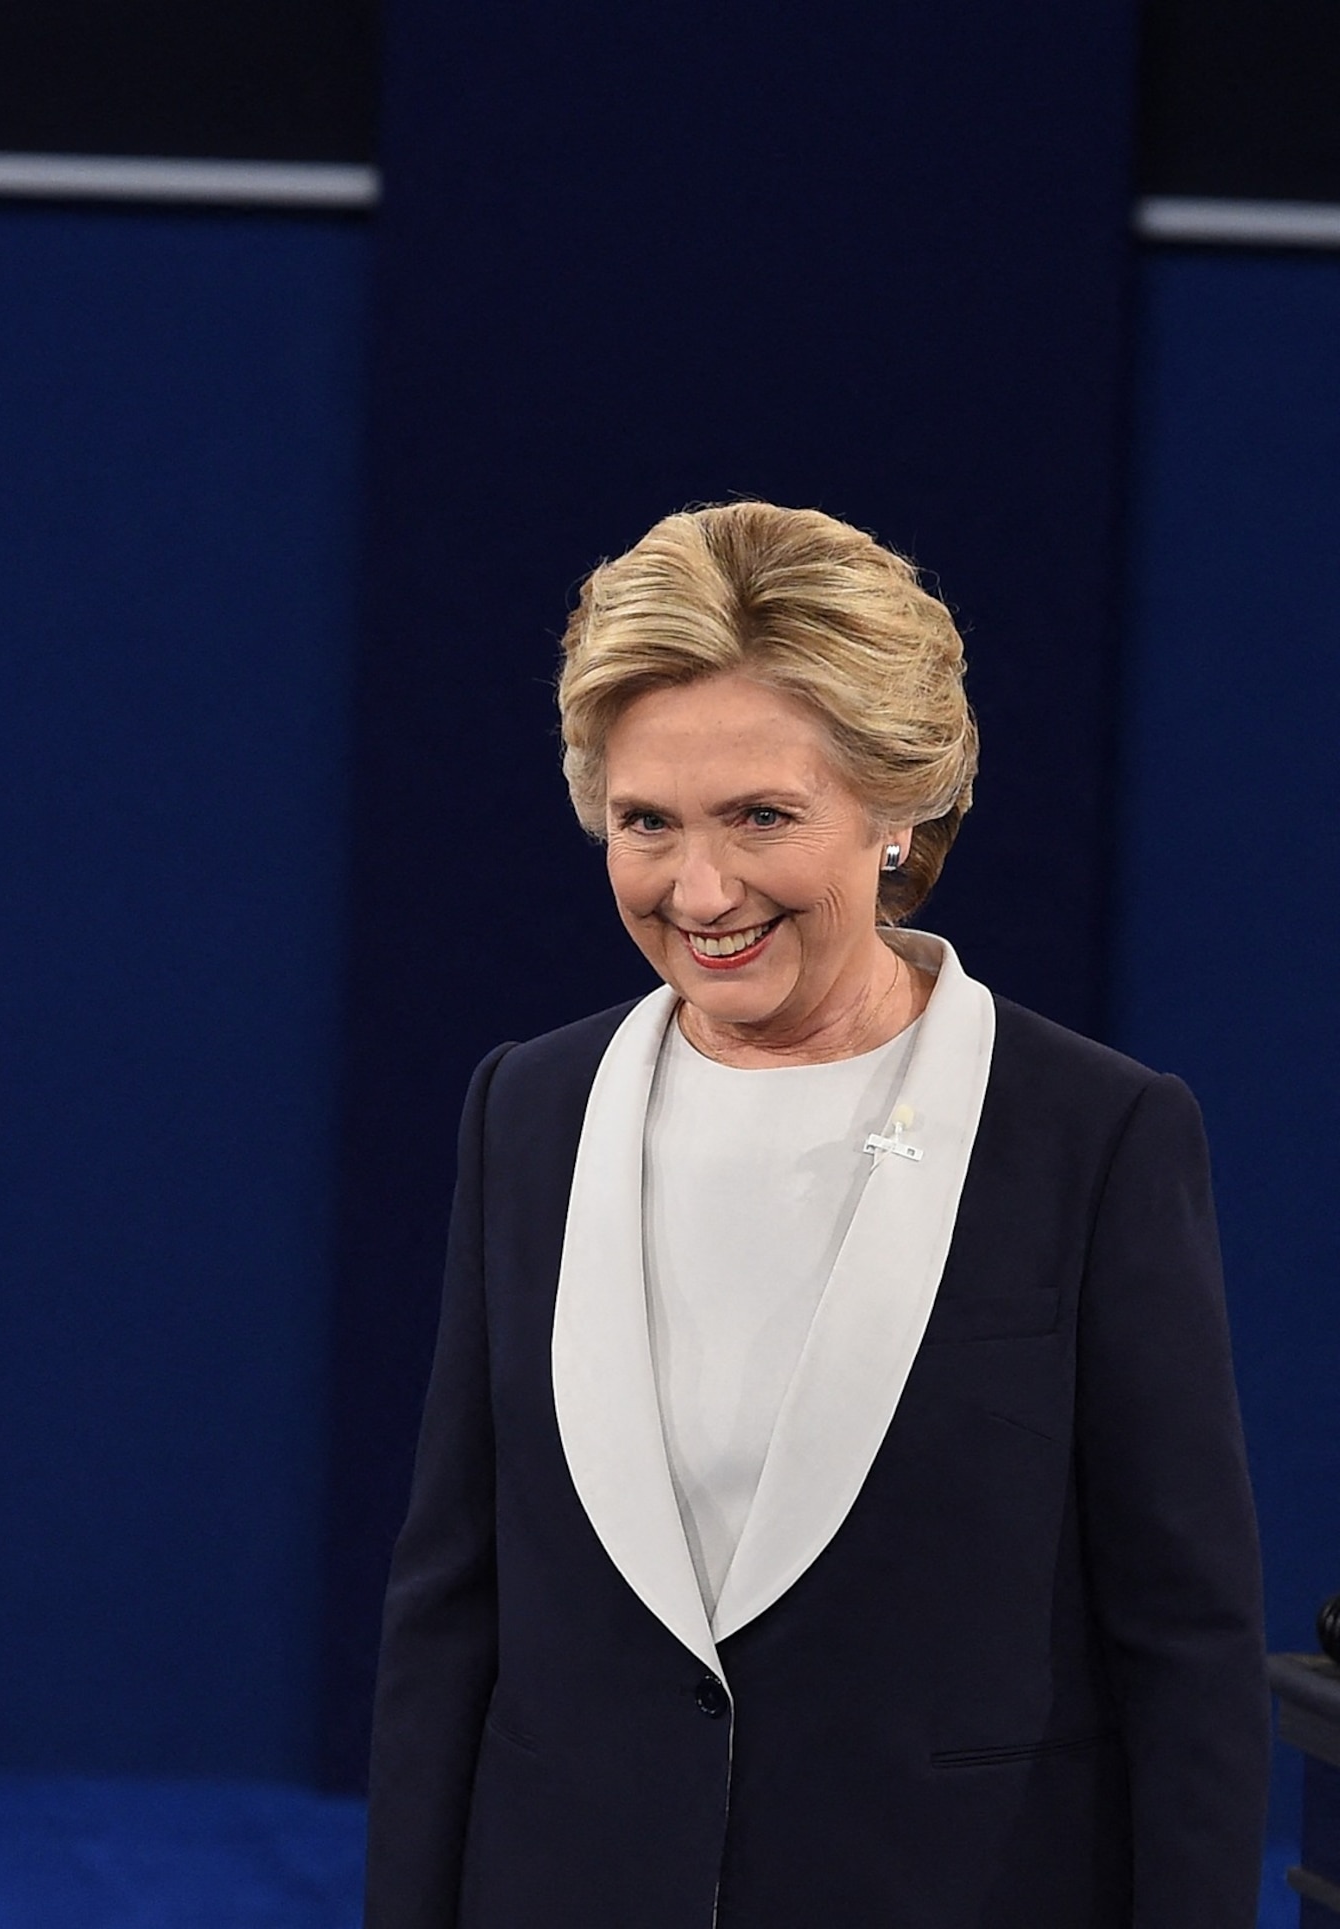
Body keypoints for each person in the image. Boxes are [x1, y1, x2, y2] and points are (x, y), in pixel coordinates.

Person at [363, 502, 1267, 1926]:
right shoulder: (526, 1111)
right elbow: (449, 1609)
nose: (700, 889)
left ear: (896, 809)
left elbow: (1186, 1642)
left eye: (762, 818)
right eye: (647, 821)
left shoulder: (1094, 1134)